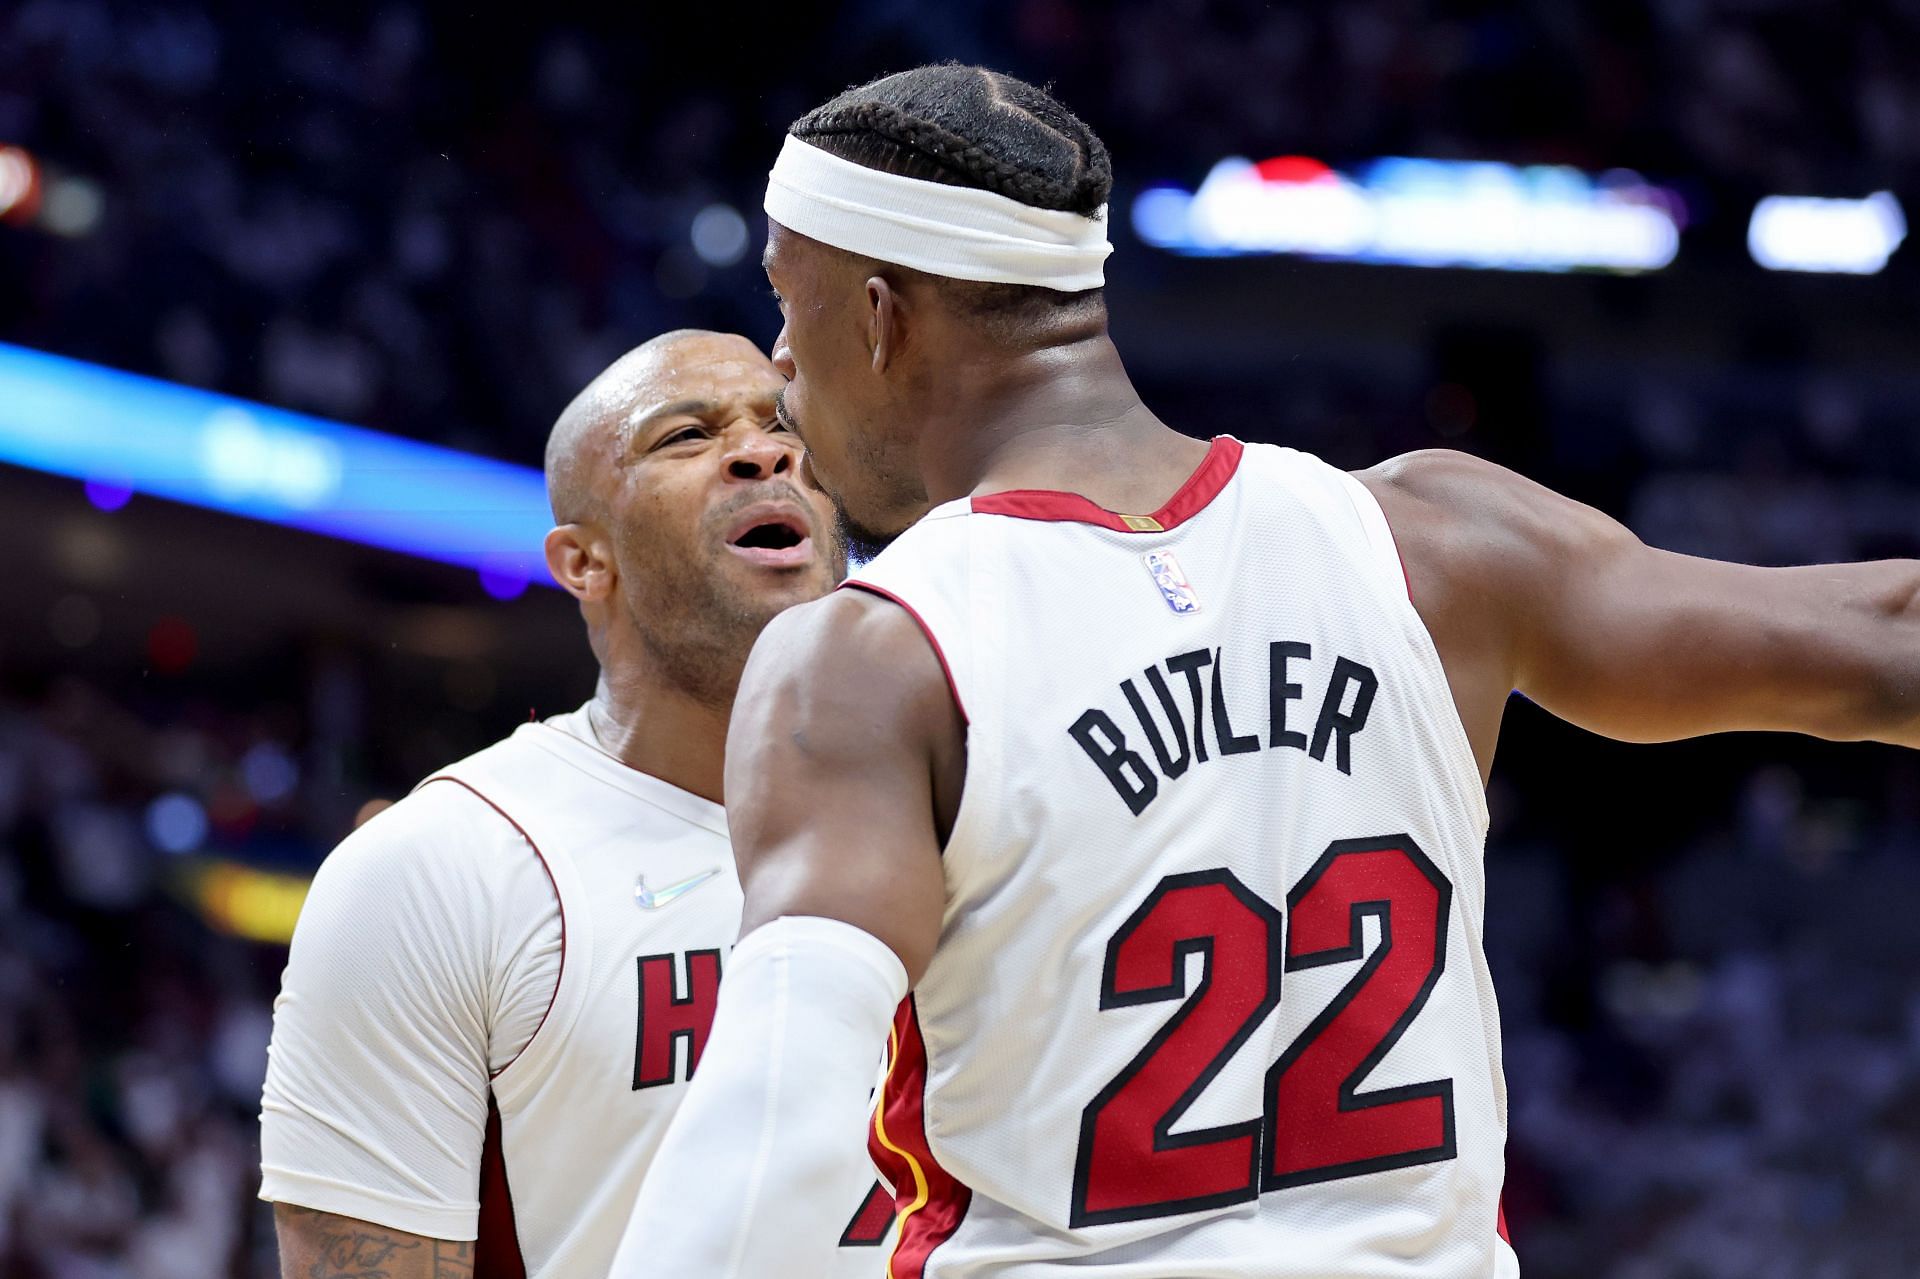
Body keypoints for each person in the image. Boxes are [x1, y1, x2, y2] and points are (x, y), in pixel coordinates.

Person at [616, 65, 1920, 1279]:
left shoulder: (875, 651)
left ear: (885, 319)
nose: (780, 373)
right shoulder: (1438, 543)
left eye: (788, 311)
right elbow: (1880, 644)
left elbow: (771, 1129)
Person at [259, 330, 892, 1279]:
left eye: (782, 423)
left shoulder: (979, 803)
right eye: (685, 436)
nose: (767, 452)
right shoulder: (442, 865)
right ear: (583, 561)